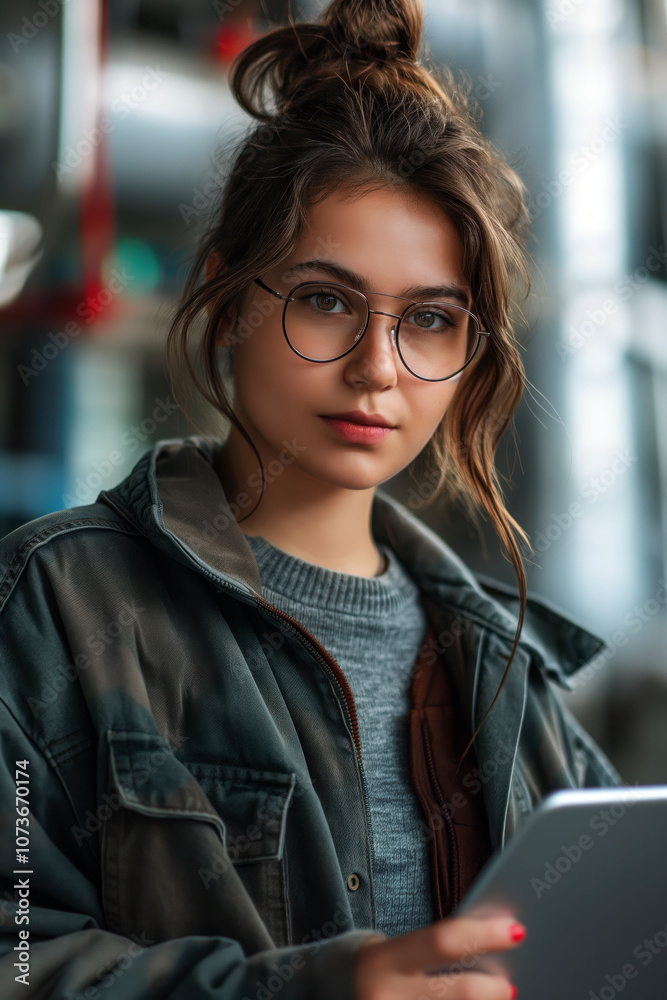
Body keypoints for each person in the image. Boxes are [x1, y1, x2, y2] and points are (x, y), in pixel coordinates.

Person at [0, 0, 624, 998]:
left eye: (428, 321)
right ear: (227, 295)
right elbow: (17, 955)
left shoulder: (514, 676)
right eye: (326, 300)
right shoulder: (52, 603)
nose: (377, 368)